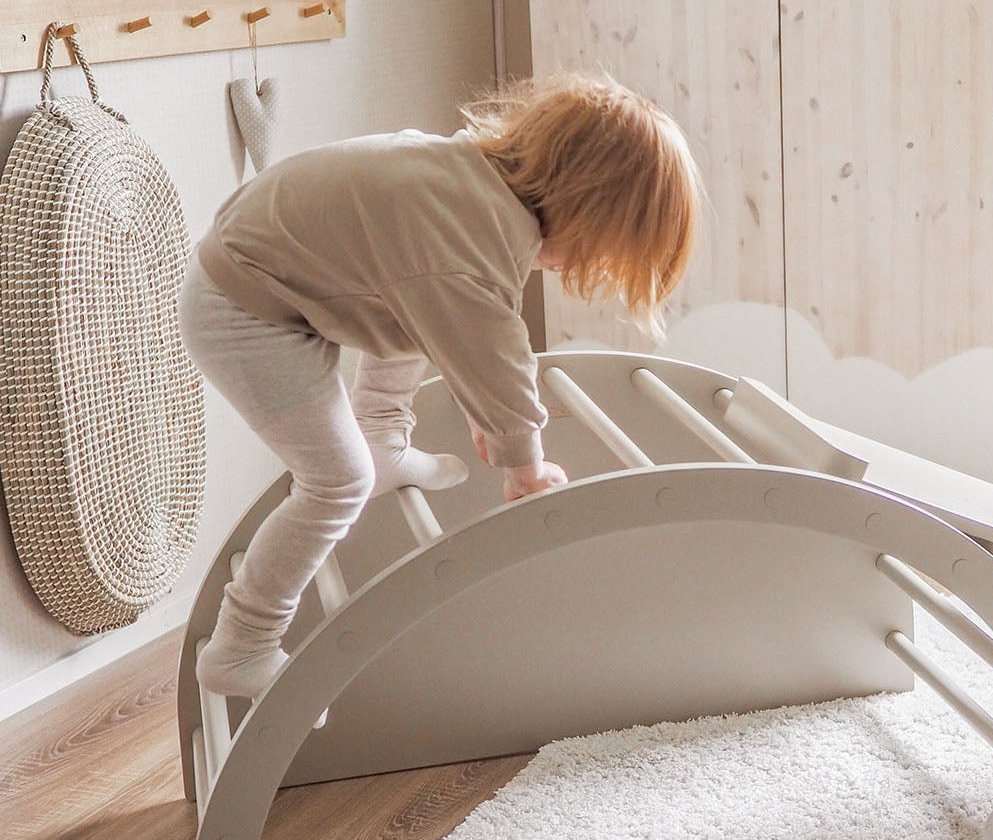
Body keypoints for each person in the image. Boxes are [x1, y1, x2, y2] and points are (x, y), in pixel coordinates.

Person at [178, 70, 703, 698]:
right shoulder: (471, 237)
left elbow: (454, 329)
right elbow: (493, 351)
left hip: (273, 283)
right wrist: (523, 466)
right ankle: (241, 644)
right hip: (244, 309)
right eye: (595, 247)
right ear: (582, 205)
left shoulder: (464, 186)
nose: (573, 267)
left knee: (414, 315)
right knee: (336, 483)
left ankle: (382, 438)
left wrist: (488, 413)